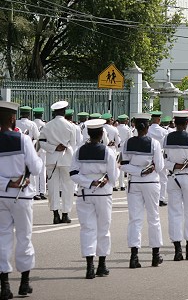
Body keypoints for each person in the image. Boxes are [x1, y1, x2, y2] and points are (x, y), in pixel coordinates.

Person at [0, 101, 43, 299]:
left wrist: (7, 183)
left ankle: (4, 285)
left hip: (2, 195)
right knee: (24, 237)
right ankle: (24, 283)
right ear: (12, 119)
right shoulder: (23, 140)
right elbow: (35, 168)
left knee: (2, 238)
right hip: (21, 196)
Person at [69, 119, 118, 279]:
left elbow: (73, 173)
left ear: (88, 134)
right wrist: (104, 180)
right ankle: (102, 264)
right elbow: (114, 176)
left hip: (85, 193)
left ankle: (89, 266)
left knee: (87, 228)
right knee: (103, 228)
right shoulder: (108, 151)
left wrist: (89, 182)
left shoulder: (79, 151)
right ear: (102, 134)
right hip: (103, 193)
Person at [120, 113, 165, 268]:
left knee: (135, 219)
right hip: (151, 182)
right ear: (147, 127)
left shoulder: (127, 143)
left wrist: (138, 171)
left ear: (135, 127)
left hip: (134, 182)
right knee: (154, 218)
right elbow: (160, 166)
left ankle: (134, 256)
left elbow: (123, 165)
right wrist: (144, 170)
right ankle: (155, 255)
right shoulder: (154, 143)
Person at [163, 111, 188, 262]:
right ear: (186, 124)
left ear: (175, 123)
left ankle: (177, 250)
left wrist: (175, 165)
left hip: (173, 178)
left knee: (174, 213)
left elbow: (163, 161)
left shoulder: (167, 138)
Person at [38, 101, 78, 224]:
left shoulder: (47, 126)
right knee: (67, 187)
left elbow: (41, 142)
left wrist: (54, 148)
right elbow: (73, 144)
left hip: (52, 159)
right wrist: (64, 147)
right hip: (66, 158)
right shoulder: (70, 126)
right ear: (64, 112)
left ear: (54, 112)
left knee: (53, 187)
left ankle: (55, 214)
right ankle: (65, 214)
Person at [147, 111, 168, 206]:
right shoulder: (164, 131)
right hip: (161, 155)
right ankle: (161, 198)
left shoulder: (147, 130)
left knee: (149, 176)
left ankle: (150, 197)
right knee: (163, 177)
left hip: (149, 155)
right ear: (159, 120)